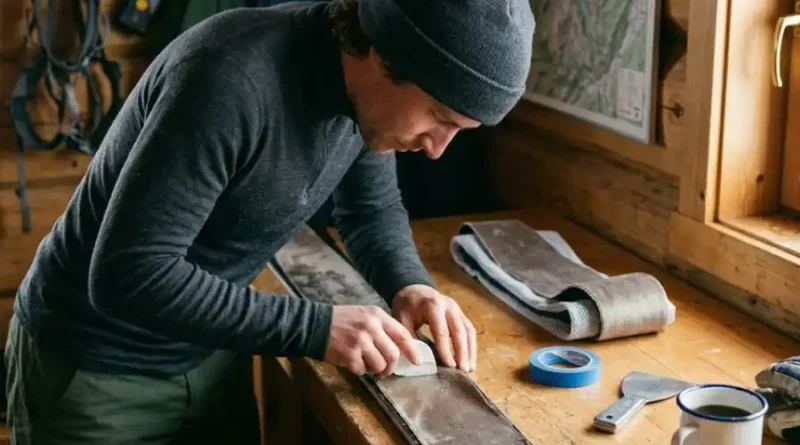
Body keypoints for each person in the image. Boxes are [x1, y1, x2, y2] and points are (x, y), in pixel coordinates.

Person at [4, 0, 536, 443]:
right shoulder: (227, 77)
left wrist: (411, 284)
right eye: (439, 118)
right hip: (93, 372)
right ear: (383, 54)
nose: (438, 150)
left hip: (206, 351)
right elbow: (128, 273)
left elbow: (370, 211)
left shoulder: (368, 100)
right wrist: (317, 327)